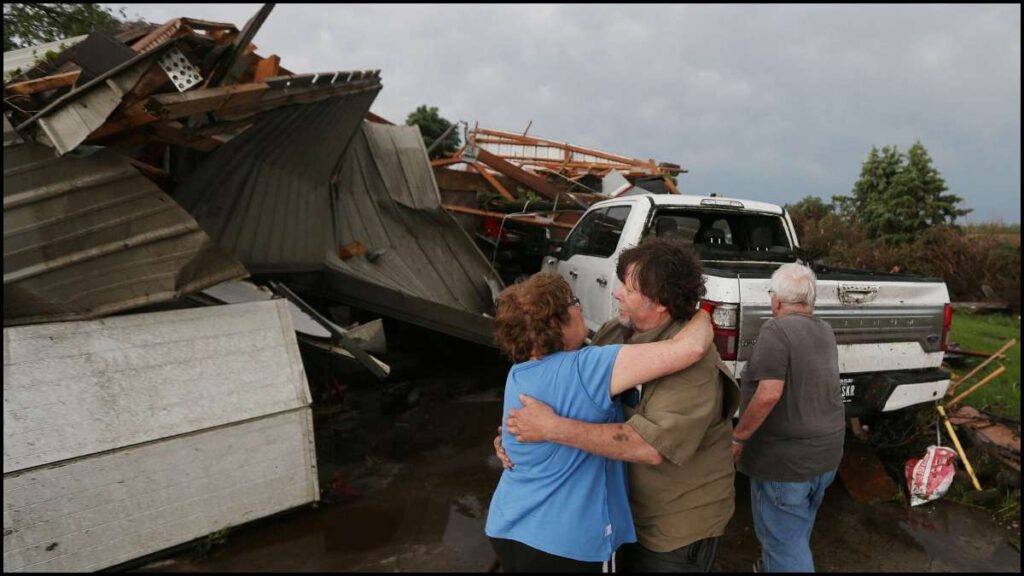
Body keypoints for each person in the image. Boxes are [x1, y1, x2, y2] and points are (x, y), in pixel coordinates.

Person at [499, 239, 739, 572]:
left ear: (660, 302)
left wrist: (551, 429)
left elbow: (650, 446)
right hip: (622, 517)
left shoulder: (693, 366)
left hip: (674, 526)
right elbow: (564, 388)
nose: (617, 293)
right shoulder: (616, 332)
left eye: (629, 288)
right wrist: (513, 437)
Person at [731, 262, 845, 573]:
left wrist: (738, 437)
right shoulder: (824, 330)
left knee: (784, 544)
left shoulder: (776, 329)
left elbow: (769, 393)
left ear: (777, 300)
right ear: (809, 301)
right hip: (826, 456)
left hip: (786, 464)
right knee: (795, 532)